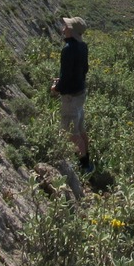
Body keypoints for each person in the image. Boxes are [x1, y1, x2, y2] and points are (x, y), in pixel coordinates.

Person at [50, 15, 92, 174]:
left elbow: (67, 76)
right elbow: (84, 69)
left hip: (71, 97)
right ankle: (87, 160)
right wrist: (66, 81)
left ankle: (84, 166)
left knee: (71, 133)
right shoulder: (83, 46)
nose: (63, 29)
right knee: (80, 128)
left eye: (66, 27)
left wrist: (57, 87)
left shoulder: (68, 49)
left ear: (72, 31)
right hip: (80, 93)